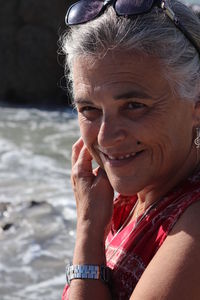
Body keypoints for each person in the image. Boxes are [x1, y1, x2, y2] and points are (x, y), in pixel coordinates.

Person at [61, 0, 200, 299]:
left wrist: (87, 231)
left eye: (134, 106)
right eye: (89, 109)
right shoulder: (128, 201)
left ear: (197, 107)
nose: (106, 137)